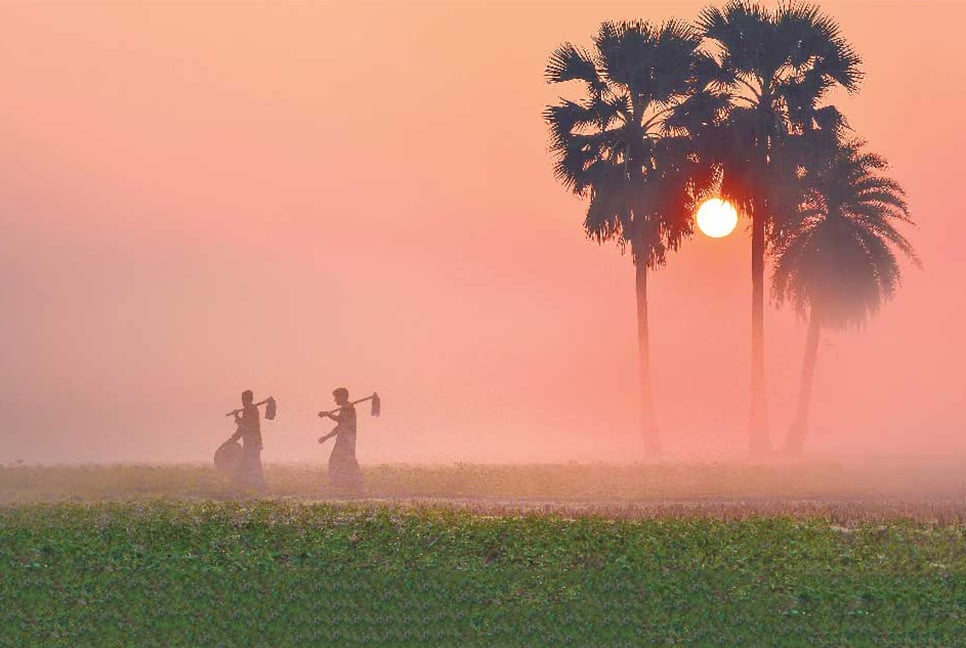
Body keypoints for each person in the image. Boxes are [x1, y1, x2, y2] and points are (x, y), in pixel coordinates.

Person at [318, 387, 362, 490]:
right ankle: (348, 484)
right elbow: (340, 426)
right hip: (343, 439)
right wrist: (326, 437)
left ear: (342, 397)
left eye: (336, 397)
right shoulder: (346, 408)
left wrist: (328, 415)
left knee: (340, 461)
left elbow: (341, 420)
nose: (335, 400)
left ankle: (349, 484)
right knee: (344, 461)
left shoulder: (349, 408)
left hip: (346, 440)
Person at [228, 389, 265, 490]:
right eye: (242, 399)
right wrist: (232, 439)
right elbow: (242, 429)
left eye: (244, 399)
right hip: (249, 443)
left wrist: (237, 418)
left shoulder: (251, 410)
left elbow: (246, 426)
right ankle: (248, 487)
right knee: (242, 467)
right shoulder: (248, 410)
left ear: (248, 399)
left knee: (254, 466)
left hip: (253, 443)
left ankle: (259, 487)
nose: (242, 401)